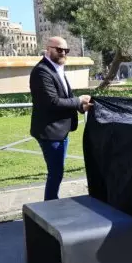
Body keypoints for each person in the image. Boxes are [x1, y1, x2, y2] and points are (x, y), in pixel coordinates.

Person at [29, 36, 93, 201]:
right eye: (59, 50)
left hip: (60, 131)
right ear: (48, 49)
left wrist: (80, 106)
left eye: (66, 50)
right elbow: (52, 102)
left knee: (57, 172)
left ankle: (51, 205)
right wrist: (78, 101)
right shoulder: (42, 71)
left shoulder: (55, 69)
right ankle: (50, 207)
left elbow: (64, 98)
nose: (63, 53)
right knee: (56, 173)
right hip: (50, 132)